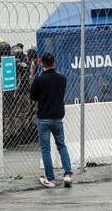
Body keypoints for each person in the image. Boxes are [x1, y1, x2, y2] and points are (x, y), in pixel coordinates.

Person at [30, 53, 72, 188]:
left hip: (44, 117)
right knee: (61, 145)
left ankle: (51, 178)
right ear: (55, 62)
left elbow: (33, 97)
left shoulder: (39, 80)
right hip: (58, 117)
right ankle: (67, 174)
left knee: (46, 149)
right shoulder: (62, 79)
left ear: (41, 63)